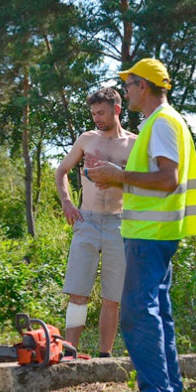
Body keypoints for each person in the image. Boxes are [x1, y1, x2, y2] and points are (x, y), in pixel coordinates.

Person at [88, 58, 196, 392]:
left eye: (129, 85)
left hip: (149, 235)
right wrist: (117, 178)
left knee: (138, 315)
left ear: (144, 86)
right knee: (158, 313)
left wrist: (117, 174)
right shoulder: (167, 123)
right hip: (157, 233)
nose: (125, 91)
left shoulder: (161, 124)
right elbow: (161, 179)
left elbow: (166, 179)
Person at [55, 87, 136, 357]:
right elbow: (62, 171)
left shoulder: (134, 144)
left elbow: (144, 183)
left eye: (101, 112)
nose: (96, 118)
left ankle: (105, 356)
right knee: (78, 292)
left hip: (119, 222)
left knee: (112, 298)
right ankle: (70, 352)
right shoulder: (86, 139)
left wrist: (117, 175)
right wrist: (67, 201)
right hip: (86, 220)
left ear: (116, 109)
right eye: (93, 113)